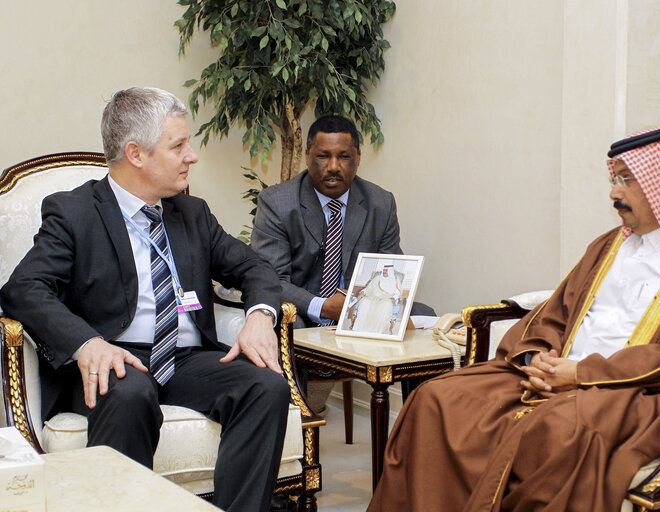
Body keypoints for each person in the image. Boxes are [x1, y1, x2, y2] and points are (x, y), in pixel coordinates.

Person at [367, 124, 660, 512]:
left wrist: (582, 374)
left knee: (559, 432)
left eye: (627, 180)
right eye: (614, 179)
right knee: (437, 399)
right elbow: (557, 311)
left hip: (637, 391)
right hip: (557, 374)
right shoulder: (610, 245)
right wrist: (536, 356)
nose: (614, 193)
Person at [0, 87, 289, 512]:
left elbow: (255, 267)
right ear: (136, 154)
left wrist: (261, 316)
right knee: (130, 392)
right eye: (179, 145)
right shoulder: (75, 212)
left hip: (186, 359)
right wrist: (87, 343)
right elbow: (23, 288)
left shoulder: (192, 213)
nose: (192, 155)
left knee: (266, 385)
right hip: (114, 357)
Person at [250, 115, 434, 328]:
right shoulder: (277, 203)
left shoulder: (381, 203)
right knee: (291, 323)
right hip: (305, 310)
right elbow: (272, 280)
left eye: (344, 157)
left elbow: (390, 273)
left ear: (358, 157)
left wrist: (363, 306)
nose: (333, 167)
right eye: (323, 156)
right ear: (308, 156)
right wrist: (324, 307)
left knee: (425, 314)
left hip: (363, 310)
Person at [350, 263, 403, 334]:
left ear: (390, 271)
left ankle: (378, 330)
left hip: (386, 298)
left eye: (386, 270)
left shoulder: (395, 280)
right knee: (365, 302)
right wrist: (362, 292)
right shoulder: (377, 278)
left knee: (386, 305)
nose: (384, 271)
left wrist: (394, 298)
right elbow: (368, 288)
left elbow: (398, 292)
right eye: (384, 270)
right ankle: (359, 328)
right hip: (373, 297)